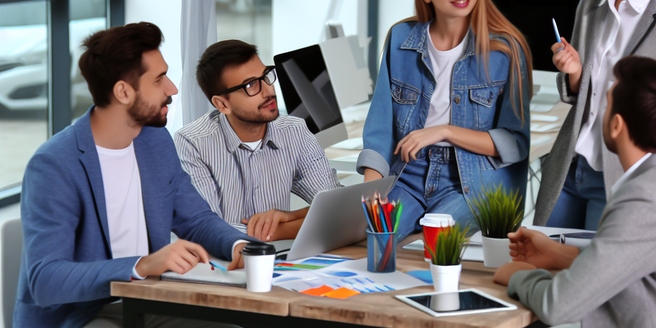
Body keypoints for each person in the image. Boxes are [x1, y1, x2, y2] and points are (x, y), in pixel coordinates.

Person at [14, 22, 255, 328]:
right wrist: (141, 265)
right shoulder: (54, 164)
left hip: (146, 299)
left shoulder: (154, 141)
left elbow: (195, 218)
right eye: (159, 80)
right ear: (123, 91)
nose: (172, 89)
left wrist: (240, 246)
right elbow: (45, 279)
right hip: (80, 315)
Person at [494, 56, 656, 327]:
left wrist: (519, 276)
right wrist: (560, 253)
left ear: (616, 125)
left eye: (606, 105)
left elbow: (556, 306)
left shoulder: (642, 198)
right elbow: (629, 259)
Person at [356, 0, 532, 240]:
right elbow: (380, 130)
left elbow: (515, 143)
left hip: (468, 182)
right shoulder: (400, 39)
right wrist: (371, 195)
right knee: (373, 239)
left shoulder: (504, 49)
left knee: (439, 245)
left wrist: (445, 131)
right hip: (408, 174)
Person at [174, 40, 341, 242]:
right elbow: (207, 228)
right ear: (222, 104)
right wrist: (288, 229)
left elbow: (337, 207)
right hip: (225, 263)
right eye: (251, 85)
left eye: (265, 76)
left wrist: (291, 217)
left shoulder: (295, 131)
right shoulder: (193, 143)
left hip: (281, 257)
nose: (268, 91)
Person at [534, 0, 656, 230]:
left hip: (617, 174)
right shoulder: (590, 5)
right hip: (569, 164)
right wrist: (575, 71)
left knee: (594, 262)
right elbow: (587, 94)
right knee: (541, 255)